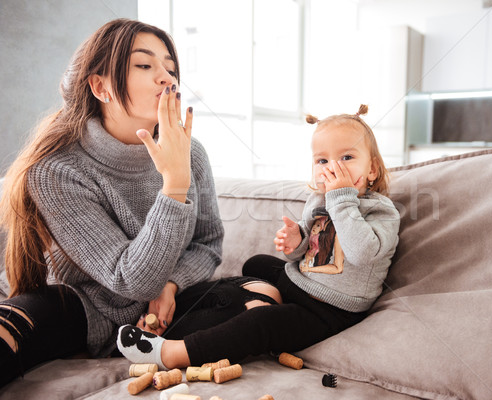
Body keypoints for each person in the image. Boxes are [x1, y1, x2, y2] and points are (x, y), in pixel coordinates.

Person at [0, 18, 276, 388]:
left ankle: (154, 346)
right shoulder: (56, 170)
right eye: (145, 65)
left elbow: (207, 244)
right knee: (12, 327)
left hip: (160, 312)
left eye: (171, 68)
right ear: (100, 86)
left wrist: (171, 286)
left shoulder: (190, 152)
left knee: (264, 294)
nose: (167, 78)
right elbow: (128, 279)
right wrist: (174, 185)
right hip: (83, 306)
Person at [117, 104, 401, 369]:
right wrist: (296, 241)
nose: (332, 168)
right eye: (322, 160)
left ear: (372, 169)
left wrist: (341, 198)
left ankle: (173, 352)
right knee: (257, 264)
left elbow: (361, 252)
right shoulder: (318, 201)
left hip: (330, 309)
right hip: (303, 284)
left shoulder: (380, 211)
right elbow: (307, 255)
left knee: (261, 323)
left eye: (347, 158)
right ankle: (242, 301)